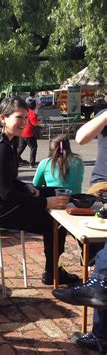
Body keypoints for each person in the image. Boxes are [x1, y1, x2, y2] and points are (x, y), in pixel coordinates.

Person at [0, 96, 79, 285]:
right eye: (19, 117)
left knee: (53, 190)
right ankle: (52, 272)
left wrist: (27, 187)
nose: (24, 122)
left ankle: (53, 269)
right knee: (51, 221)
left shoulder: (3, 140)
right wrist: (44, 203)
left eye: (26, 118)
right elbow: (6, 194)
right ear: (3, 118)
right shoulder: (0, 147)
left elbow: (5, 181)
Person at [52, 109, 107, 351]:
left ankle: (100, 284)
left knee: (102, 278)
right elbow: (82, 137)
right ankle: (101, 335)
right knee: (98, 256)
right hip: (102, 187)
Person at [17, 100, 40, 167]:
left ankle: (14, 160)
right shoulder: (32, 113)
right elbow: (34, 123)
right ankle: (32, 163)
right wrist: (40, 122)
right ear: (34, 106)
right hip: (29, 132)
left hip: (22, 131)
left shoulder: (24, 112)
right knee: (33, 147)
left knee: (20, 148)